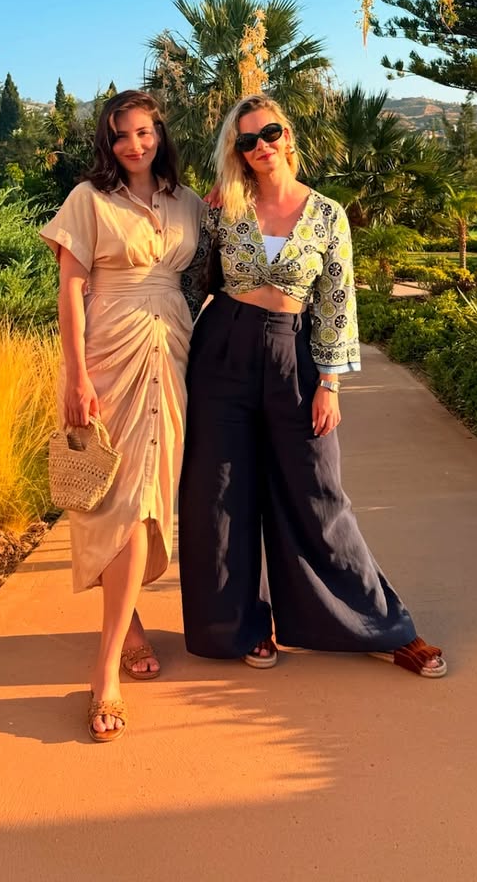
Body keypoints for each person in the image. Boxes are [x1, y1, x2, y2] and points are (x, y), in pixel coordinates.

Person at [178, 94, 446, 678]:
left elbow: (336, 302)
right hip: (222, 350)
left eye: (269, 133)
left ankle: (381, 627)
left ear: (288, 135)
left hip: (293, 352)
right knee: (218, 494)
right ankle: (238, 628)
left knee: (319, 491)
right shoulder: (222, 208)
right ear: (237, 152)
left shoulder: (326, 214)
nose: (261, 146)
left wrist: (330, 384)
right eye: (247, 140)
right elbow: (190, 283)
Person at [40, 90, 203, 742]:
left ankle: (129, 620)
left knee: (150, 501)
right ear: (106, 144)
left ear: (159, 133)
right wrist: (76, 375)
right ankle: (105, 672)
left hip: (172, 351)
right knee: (121, 503)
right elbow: (71, 289)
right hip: (108, 356)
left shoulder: (187, 202)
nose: (134, 145)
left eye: (143, 132)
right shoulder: (89, 199)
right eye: (120, 136)